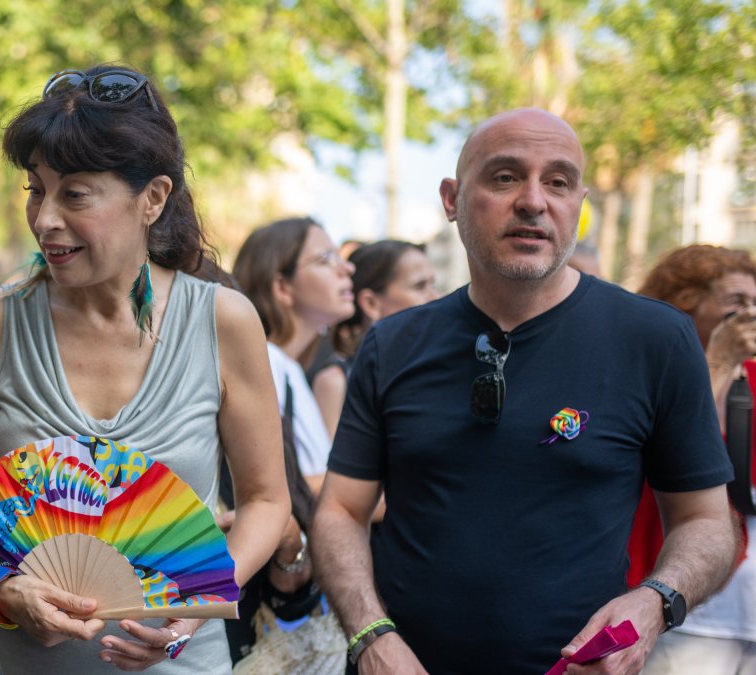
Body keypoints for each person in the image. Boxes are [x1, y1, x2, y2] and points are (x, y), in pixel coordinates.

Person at [312, 108, 738, 674]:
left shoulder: (654, 338)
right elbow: (341, 508)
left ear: (579, 204)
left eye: (558, 182)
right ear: (452, 200)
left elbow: (708, 522)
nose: (534, 201)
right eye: (505, 177)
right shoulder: (393, 343)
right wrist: (370, 636)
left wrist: (655, 603)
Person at [0, 65, 290, 674]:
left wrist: (201, 599)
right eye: (35, 190)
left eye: (75, 193)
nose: (45, 219)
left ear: (153, 198)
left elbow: (265, 500)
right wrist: (1, 587)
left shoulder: (224, 321)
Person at [224, 216, 355, 670]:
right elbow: (288, 486)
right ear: (282, 286)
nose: (346, 270)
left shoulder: (290, 367)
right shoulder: (267, 363)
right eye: (325, 259)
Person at [635, 244, 756, 675]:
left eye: (755, 303)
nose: (750, 314)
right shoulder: (654, 369)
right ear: (686, 305)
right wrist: (718, 361)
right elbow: (677, 452)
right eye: (735, 303)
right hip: (692, 616)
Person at [310, 240, 438, 438]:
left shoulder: (434, 370)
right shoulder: (336, 381)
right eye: (420, 286)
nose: (436, 297)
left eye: (433, 285)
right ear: (371, 303)